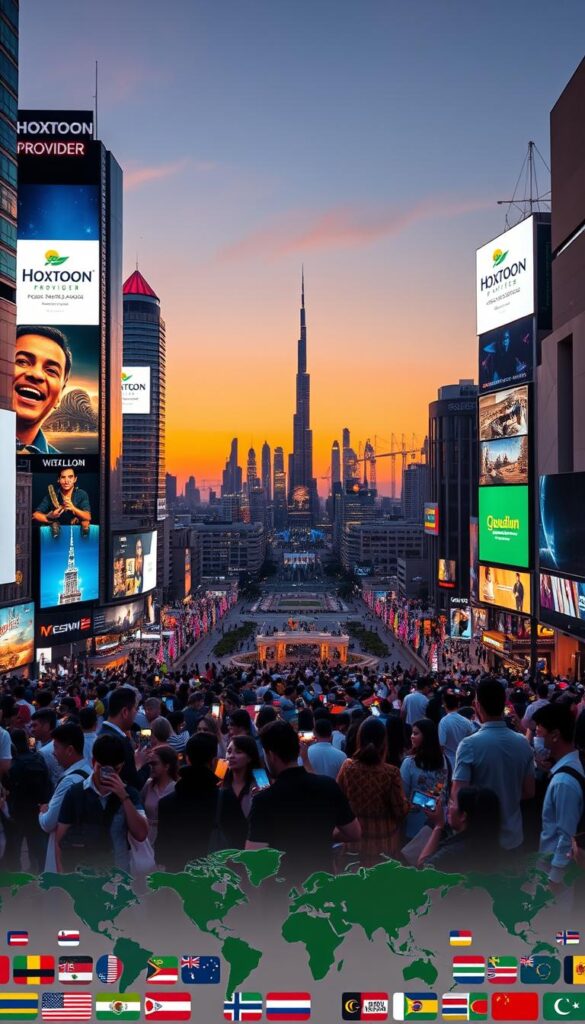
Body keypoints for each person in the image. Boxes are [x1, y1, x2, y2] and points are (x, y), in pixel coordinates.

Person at [246, 721, 361, 880]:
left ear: (271, 755)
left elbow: (254, 858)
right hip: (321, 884)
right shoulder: (328, 786)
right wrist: (325, 832)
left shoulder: (264, 800)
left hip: (282, 890)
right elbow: (354, 833)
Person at [452, 677, 535, 850]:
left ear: (477, 706)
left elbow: (458, 794)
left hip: (479, 840)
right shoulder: (523, 744)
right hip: (514, 838)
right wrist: (507, 794)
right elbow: (529, 791)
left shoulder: (469, 745)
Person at [56, 734, 148, 873]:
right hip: (84, 878)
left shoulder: (130, 794)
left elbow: (141, 834)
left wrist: (124, 797)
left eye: (114, 770)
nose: (107, 775)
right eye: (102, 769)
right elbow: (60, 840)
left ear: (121, 767)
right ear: (93, 762)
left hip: (119, 878)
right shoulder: (75, 793)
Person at [337, 717, 408, 866]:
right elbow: (400, 811)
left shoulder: (348, 767)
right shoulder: (391, 773)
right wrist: (408, 804)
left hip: (354, 842)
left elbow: (338, 800)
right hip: (384, 844)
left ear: (359, 739)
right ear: (384, 742)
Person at [533, 702, 585, 891]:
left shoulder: (564, 781)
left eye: (540, 732)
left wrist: (554, 878)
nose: (537, 738)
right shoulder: (574, 762)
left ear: (555, 735)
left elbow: (566, 835)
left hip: (558, 878)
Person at [155, 733, 219, 871]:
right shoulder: (222, 799)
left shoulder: (166, 803)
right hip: (214, 879)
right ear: (213, 761)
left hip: (177, 880)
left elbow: (161, 853)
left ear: (187, 758)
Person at [38, 723, 91, 872]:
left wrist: (42, 811)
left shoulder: (69, 781)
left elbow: (48, 823)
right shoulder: (89, 772)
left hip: (65, 853)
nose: (53, 753)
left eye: (56, 747)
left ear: (69, 750)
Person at [14, 326, 72, 454]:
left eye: (51, 371)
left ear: (60, 395)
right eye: (22, 362)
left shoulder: (63, 465)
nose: (37, 375)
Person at [418, 785, 502, 873]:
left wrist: (438, 826)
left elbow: (423, 868)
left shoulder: (451, 852)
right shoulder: (494, 848)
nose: (449, 807)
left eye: (453, 802)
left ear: (463, 816)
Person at [3, 730, 52, 872]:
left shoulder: (13, 763)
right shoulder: (38, 758)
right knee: (37, 842)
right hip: (36, 809)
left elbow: (8, 786)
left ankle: (16, 873)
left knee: (15, 844)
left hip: (17, 810)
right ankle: (41, 870)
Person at [401, 719, 450, 840]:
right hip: (436, 824)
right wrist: (430, 801)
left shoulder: (409, 763)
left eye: (416, 733)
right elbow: (440, 790)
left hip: (414, 826)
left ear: (427, 736)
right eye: (412, 733)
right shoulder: (443, 760)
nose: (412, 737)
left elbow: (403, 794)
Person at [217, 736, 261, 849]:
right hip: (223, 847)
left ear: (250, 757)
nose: (231, 756)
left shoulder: (260, 776)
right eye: (229, 751)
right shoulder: (220, 773)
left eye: (238, 752)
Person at [99, 687, 140, 788]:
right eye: (135, 709)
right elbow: (133, 784)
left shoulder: (102, 733)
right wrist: (141, 764)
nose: (137, 713)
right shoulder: (118, 742)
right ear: (125, 712)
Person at [33, 466, 91, 537]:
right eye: (63, 477)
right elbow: (35, 515)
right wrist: (49, 517)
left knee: (85, 523)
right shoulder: (52, 495)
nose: (66, 481)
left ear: (75, 479)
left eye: (70, 477)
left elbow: (88, 517)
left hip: (76, 534)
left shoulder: (81, 494)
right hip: (56, 532)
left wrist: (73, 508)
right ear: (58, 479)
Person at [140, 745, 178, 846]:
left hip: (168, 840)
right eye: (150, 764)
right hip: (146, 840)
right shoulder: (148, 785)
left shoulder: (176, 788)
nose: (151, 768)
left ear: (167, 766)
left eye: (154, 764)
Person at [438, 690, 475, 770]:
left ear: (445, 705)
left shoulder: (444, 722)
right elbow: (472, 740)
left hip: (449, 762)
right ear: (458, 705)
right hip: (464, 759)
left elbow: (441, 745)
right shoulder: (466, 721)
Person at [31, 708, 62, 788]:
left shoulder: (47, 751)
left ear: (47, 726)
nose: (32, 730)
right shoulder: (38, 743)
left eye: (35, 726)